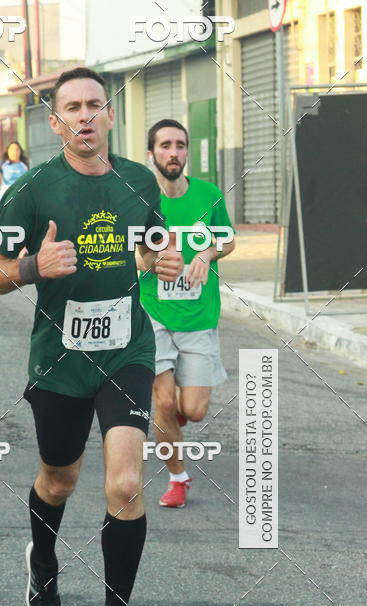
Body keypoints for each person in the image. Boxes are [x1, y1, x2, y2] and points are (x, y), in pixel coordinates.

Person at [0, 68, 183, 606]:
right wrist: (35, 267)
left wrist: (160, 261)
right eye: (72, 107)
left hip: (127, 351)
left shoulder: (140, 181)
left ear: (111, 116)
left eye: (96, 105)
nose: (85, 116)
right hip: (60, 361)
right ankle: (43, 561)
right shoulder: (34, 188)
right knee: (58, 481)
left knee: (123, 482)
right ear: (55, 120)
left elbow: (149, 247)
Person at [138, 119, 235, 508]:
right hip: (153, 313)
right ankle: (178, 478)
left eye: (180, 145)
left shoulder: (209, 194)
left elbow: (226, 241)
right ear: (152, 154)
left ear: (186, 152)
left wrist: (206, 254)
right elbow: (136, 257)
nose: (173, 152)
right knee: (162, 404)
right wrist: (155, 258)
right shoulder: (142, 199)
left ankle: (170, 427)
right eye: (165, 145)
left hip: (198, 315)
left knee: (191, 411)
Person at [0, 141, 28, 208]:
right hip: (6, 195)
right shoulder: (3, 164)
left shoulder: (24, 165)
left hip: (21, 196)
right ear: (8, 151)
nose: (15, 152)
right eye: (12, 149)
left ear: (20, 151)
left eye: (17, 149)